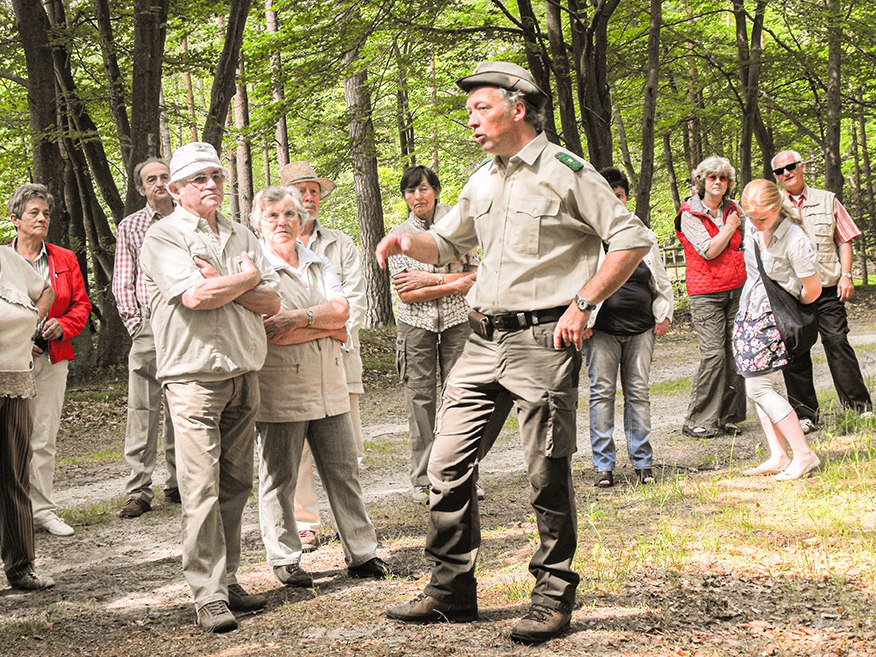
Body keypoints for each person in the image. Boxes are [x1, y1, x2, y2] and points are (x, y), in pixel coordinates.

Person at [377, 61, 651, 644]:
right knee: (444, 466)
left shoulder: (565, 171)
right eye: (470, 109)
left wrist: (584, 304)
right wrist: (407, 239)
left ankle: (552, 597)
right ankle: (452, 589)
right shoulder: (483, 179)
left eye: (481, 108)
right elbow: (448, 243)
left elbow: (630, 238)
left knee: (545, 474)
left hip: (543, 340)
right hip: (481, 338)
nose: (471, 119)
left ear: (517, 108)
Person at [139, 142, 281, 633]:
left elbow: (271, 301)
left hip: (244, 370)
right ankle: (207, 595)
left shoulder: (242, 232)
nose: (211, 185)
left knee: (237, 483)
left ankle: (229, 580)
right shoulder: (164, 236)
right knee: (199, 488)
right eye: (199, 178)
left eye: (217, 175)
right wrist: (242, 281)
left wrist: (235, 279)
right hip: (194, 377)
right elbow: (196, 296)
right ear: (176, 189)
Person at [250, 186, 391, 587]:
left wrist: (299, 319)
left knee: (343, 470)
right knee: (280, 476)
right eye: (273, 215)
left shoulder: (317, 260)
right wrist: (321, 325)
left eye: (290, 215)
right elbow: (267, 332)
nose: (282, 223)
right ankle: (284, 556)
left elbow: (342, 314)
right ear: (258, 222)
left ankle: (362, 553)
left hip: (330, 383)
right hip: (281, 387)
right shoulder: (256, 268)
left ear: (301, 221)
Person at [279, 160, 367, 553]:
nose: (309, 197)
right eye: (301, 190)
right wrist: (320, 322)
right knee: (296, 450)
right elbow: (274, 314)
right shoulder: (269, 247)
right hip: (291, 363)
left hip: (339, 355)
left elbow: (355, 300)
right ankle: (304, 523)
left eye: (314, 190)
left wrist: (329, 330)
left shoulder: (341, 244)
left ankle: (354, 528)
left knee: (346, 448)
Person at [388, 166, 478, 503]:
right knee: (420, 402)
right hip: (415, 326)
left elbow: (476, 275)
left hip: (457, 322)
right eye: (410, 192)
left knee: (463, 400)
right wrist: (454, 281)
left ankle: (464, 475)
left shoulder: (459, 228)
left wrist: (430, 280)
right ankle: (423, 479)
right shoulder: (398, 236)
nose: (417, 197)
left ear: (436, 191)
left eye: (423, 189)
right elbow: (406, 293)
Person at [7, 184, 91, 537]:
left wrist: (62, 326)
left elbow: (82, 306)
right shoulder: (2, 260)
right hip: (8, 362)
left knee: (43, 435)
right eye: (34, 213)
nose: (42, 219)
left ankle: (41, 510)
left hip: (53, 359)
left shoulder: (64, 259)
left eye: (46, 213)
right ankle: (11, 513)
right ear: (15, 220)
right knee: (9, 439)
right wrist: (19, 341)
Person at [583, 168, 673, 488]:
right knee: (601, 395)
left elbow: (659, 279)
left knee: (638, 394)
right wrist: (581, 319)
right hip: (601, 331)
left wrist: (663, 314)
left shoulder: (642, 234)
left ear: (626, 197)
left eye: (619, 194)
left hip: (640, 330)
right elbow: (578, 283)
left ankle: (643, 462)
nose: (615, 200)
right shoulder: (589, 238)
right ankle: (603, 466)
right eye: (609, 194)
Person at [771, 150, 873, 431]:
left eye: (790, 167)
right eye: (779, 171)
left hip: (827, 288)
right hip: (792, 292)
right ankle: (805, 415)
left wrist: (847, 275)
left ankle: (859, 408)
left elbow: (845, 239)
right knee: (795, 352)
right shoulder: (773, 205)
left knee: (838, 342)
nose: (786, 174)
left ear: (802, 167)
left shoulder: (827, 200)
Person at [735, 179, 822, 480]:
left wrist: (789, 309)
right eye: (751, 217)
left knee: (759, 387)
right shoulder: (751, 227)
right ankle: (779, 454)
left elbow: (812, 289)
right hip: (751, 311)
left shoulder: (795, 239)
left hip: (775, 317)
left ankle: (804, 454)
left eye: (763, 218)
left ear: (777, 208)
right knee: (759, 387)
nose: (756, 224)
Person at [113, 157, 179, 519]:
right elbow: (123, 280)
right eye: (151, 179)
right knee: (143, 409)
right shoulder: (132, 226)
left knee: (183, 404)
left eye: (164, 177)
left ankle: (179, 482)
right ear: (141, 188)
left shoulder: (190, 219)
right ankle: (139, 489)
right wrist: (135, 324)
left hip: (187, 321)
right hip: (149, 325)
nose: (158, 183)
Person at [675, 155, 747, 438]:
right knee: (714, 355)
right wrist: (730, 227)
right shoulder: (690, 214)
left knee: (735, 354)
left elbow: (750, 239)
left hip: (736, 289)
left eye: (723, 178)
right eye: (712, 177)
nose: (718, 182)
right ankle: (698, 419)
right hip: (706, 294)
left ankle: (729, 417)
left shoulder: (733, 208)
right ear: (701, 181)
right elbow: (709, 250)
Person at [0, 244, 55, 590]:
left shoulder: (8, 260)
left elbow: (46, 290)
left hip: (17, 378)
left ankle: (21, 566)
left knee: (15, 474)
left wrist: (33, 323)